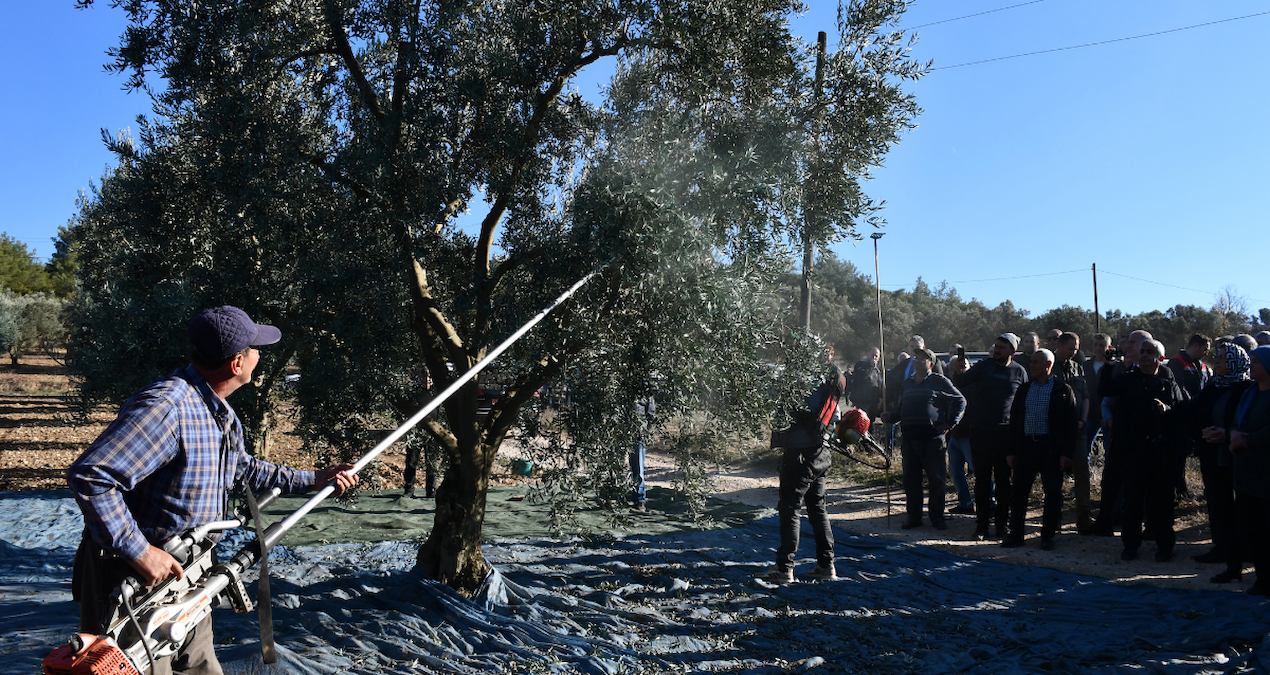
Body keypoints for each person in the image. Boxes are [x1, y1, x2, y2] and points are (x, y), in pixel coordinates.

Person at [66, 306, 358, 675]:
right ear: (237, 363)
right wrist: (139, 551)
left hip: (188, 578)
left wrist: (313, 480)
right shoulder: (167, 408)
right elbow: (91, 476)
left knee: (202, 667)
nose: (260, 356)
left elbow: (240, 468)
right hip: (135, 582)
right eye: (255, 349)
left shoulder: (218, 412)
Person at [764, 342, 846, 584]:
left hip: (798, 453)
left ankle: (784, 569)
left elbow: (773, 398)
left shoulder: (800, 381)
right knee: (817, 508)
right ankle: (826, 565)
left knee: (790, 509)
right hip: (821, 452)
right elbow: (836, 418)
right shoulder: (828, 380)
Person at [1098, 338, 1184, 561]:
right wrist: (1108, 366)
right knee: (1132, 502)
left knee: (1162, 502)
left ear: (1161, 358)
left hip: (1160, 453)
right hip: (1131, 451)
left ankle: (1165, 546)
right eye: (1142, 351)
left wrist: (1166, 409)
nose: (1144, 355)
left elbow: (1182, 412)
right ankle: (1130, 545)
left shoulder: (1168, 383)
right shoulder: (1126, 379)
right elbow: (1105, 389)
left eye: (1150, 352)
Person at [1180, 342, 1254, 582]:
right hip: (1212, 455)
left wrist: (1226, 433)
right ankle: (1222, 549)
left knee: (1243, 508)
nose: (1217, 361)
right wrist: (1200, 432)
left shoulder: (1247, 389)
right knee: (1217, 504)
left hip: (1239, 457)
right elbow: (1194, 410)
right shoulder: (1214, 386)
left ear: (1234, 362)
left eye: (1222, 358)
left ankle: (1248, 552)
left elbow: (1248, 421)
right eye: (1217, 357)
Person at [951, 333, 1028, 541]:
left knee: (1004, 482)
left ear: (1012, 351)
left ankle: (1002, 525)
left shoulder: (1019, 372)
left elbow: (1023, 405)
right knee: (983, 482)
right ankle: (982, 525)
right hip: (981, 432)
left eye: (1002, 348)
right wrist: (958, 371)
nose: (997, 350)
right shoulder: (983, 367)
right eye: (996, 346)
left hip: (1006, 434)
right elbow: (961, 384)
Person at [1002, 349, 1077, 550]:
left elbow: (1071, 425)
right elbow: (1015, 421)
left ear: (1048, 365)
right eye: (1031, 361)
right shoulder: (1024, 390)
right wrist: (1011, 451)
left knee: (1052, 493)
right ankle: (1016, 534)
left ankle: (1047, 536)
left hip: (1051, 449)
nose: (1031, 365)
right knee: (1018, 492)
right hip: (1026, 447)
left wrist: (1067, 454)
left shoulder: (1063, 390)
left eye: (1036, 362)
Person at [885, 348, 965, 530]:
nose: (918, 361)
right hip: (909, 439)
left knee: (936, 480)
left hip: (932, 440)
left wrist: (951, 423)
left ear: (931, 363)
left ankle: (937, 518)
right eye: (916, 358)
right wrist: (890, 416)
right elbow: (900, 409)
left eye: (923, 359)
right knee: (911, 480)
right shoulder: (907, 383)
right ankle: (914, 517)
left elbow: (961, 401)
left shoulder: (940, 381)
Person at [1087, 329, 1153, 537]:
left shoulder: (1157, 371)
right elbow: (1105, 394)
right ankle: (1106, 520)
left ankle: (1139, 527)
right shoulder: (1121, 371)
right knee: (1112, 478)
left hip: (1144, 439)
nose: (1127, 346)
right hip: (1118, 435)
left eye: (1133, 342)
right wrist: (1108, 420)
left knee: (1139, 483)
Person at [1230, 345, 1270, 595]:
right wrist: (1234, 433)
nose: (1251, 365)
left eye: (1255, 362)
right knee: (1252, 528)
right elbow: (1237, 420)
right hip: (1246, 473)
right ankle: (1263, 578)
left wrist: (1247, 439)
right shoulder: (1251, 392)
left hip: (1266, 471)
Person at [1051, 333, 1092, 531]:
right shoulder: (1048, 366)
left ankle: (1083, 515)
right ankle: (1053, 517)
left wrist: (1083, 420)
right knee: (1054, 474)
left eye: (1076, 348)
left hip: (1077, 431)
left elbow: (1085, 397)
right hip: (1055, 431)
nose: (1074, 352)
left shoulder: (1077, 367)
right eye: (1071, 348)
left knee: (1082, 472)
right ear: (1059, 345)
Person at [944, 345, 974, 515]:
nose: (956, 371)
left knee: (978, 470)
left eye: (960, 368)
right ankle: (965, 502)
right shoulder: (947, 386)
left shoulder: (972, 386)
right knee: (955, 471)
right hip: (954, 435)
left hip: (969, 434)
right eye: (952, 369)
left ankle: (990, 503)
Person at [629, 391, 656, 511]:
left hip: (638, 432)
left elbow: (651, 411)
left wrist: (646, 428)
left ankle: (639, 499)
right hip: (619, 430)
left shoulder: (644, 389)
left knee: (638, 466)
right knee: (614, 463)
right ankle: (613, 495)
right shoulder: (618, 383)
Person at [849, 347, 884, 422]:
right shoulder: (860, 365)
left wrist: (880, 397)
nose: (874, 358)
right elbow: (862, 376)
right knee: (861, 422)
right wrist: (871, 367)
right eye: (872, 355)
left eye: (876, 356)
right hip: (862, 400)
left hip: (873, 401)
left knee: (870, 422)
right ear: (867, 354)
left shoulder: (877, 370)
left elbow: (879, 383)